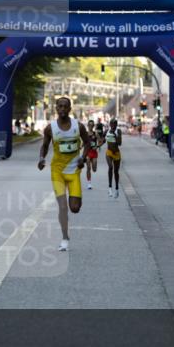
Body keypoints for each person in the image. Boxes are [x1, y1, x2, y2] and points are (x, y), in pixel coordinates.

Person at [38, 96, 90, 252]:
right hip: (57, 171)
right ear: (56, 108)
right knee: (62, 207)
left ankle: (71, 213)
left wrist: (83, 157)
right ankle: (65, 238)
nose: (62, 109)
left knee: (74, 208)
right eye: (59, 106)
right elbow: (44, 146)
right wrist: (41, 158)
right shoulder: (50, 128)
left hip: (74, 171)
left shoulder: (78, 126)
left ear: (69, 109)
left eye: (65, 106)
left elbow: (87, 143)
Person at [105, 119, 123, 198]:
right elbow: (103, 140)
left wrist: (115, 135)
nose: (113, 125)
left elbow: (120, 143)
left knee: (116, 171)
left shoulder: (118, 131)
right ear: (109, 124)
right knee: (110, 167)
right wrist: (97, 146)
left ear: (116, 124)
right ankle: (109, 188)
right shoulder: (107, 131)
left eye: (114, 124)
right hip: (109, 152)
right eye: (111, 124)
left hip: (116, 153)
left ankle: (116, 189)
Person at [85, 119, 99, 190]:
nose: (91, 126)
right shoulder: (85, 134)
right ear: (87, 125)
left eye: (92, 125)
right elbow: (83, 143)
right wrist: (80, 147)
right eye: (89, 125)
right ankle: (89, 183)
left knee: (94, 169)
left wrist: (97, 146)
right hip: (87, 152)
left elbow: (100, 141)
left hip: (94, 153)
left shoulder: (95, 134)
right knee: (88, 168)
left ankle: (94, 168)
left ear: (93, 126)